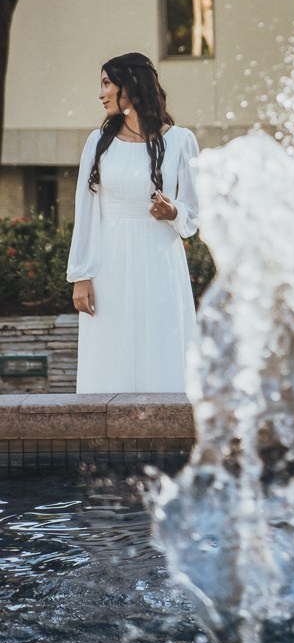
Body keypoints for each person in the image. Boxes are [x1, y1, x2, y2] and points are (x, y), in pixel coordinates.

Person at [67, 52, 199, 393]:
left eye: (107, 84)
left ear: (133, 86)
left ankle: (170, 432)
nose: (101, 94)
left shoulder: (181, 142)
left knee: (161, 339)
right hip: (110, 263)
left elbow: (196, 212)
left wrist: (173, 212)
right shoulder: (97, 144)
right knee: (112, 344)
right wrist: (82, 275)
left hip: (160, 260)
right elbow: (86, 209)